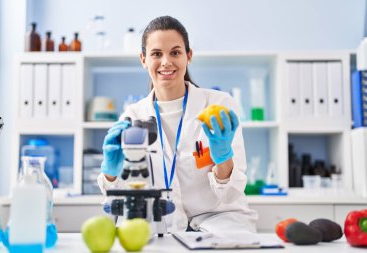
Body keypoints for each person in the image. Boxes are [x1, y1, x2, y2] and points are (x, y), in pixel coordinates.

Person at [97, 16, 257, 233]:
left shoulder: (219, 105)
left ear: (188, 56)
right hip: (161, 225)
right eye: (156, 54)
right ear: (143, 59)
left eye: (175, 52)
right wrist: (110, 173)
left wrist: (223, 157)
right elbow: (118, 200)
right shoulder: (132, 116)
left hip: (219, 221)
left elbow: (230, 194)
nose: (166, 62)